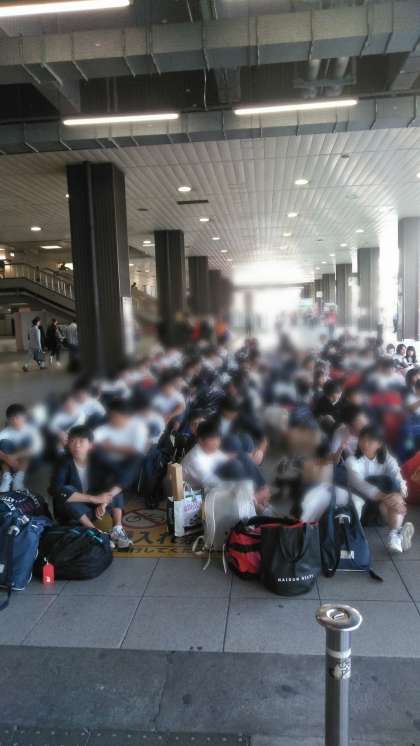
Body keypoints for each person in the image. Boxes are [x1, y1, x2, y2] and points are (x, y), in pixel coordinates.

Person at [50, 426, 132, 549]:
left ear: (91, 445)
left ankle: (117, 529)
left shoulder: (99, 459)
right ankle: (97, 533)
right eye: (72, 441)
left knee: (114, 486)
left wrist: (104, 502)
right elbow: (55, 490)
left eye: (81, 441)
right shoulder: (63, 461)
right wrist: (94, 499)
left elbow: (122, 479)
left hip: (93, 510)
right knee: (68, 491)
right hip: (71, 514)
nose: (77, 445)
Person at [345, 425, 414, 553]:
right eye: (362, 439)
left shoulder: (387, 459)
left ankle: (394, 536)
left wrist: (400, 493)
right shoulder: (351, 461)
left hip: (381, 510)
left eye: (370, 440)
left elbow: (397, 475)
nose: (365, 444)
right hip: (361, 510)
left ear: (379, 444)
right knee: (387, 489)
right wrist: (391, 497)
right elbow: (360, 484)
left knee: (394, 485)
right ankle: (397, 532)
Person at [93, 399, 147, 489]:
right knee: (96, 453)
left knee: (138, 457)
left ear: (126, 416)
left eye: (115, 416)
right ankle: (119, 482)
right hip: (108, 461)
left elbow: (137, 450)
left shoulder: (138, 426)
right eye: (110, 416)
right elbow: (92, 442)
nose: (112, 419)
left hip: (128, 461)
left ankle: (118, 486)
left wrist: (111, 447)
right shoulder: (105, 427)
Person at [0, 404, 43, 492]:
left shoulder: (32, 430)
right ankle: (6, 478)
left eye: (18, 417)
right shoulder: (5, 432)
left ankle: (19, 478)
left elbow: (36, 449)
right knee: (4, 443)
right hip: (10, 463)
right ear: (9, 420)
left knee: (27, 442)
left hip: (31, 463)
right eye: (12, 418)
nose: (16, 421)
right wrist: (7, 458)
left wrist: (14, 457)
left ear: (25, 417)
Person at [181, 419, 227, 490]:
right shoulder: (195, 459)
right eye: (212, 439)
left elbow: (227, 462)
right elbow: (212, 482)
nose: (217, 443)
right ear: (200, 440)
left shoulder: (213, 450)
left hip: (207, 487)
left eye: (218, 438)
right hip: (192, 493)